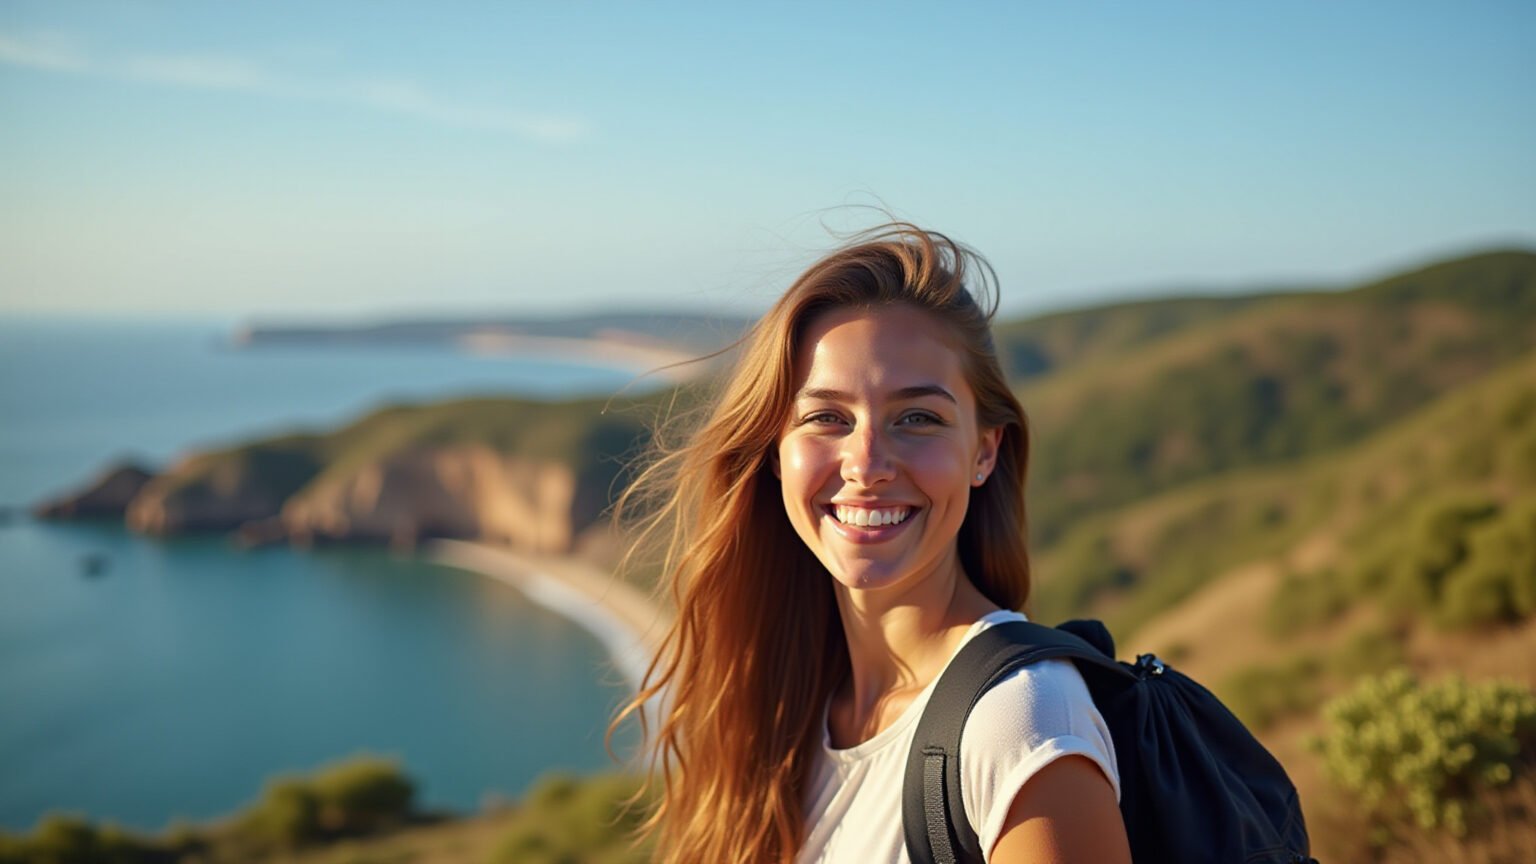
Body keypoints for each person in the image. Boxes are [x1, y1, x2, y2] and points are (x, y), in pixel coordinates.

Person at [614, 225, 1132, 863]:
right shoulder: (783, 710)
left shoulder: (1021, 726)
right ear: (775, 452)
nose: (866, 462)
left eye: (917, 418)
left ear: (983, 451)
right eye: (826, 417)